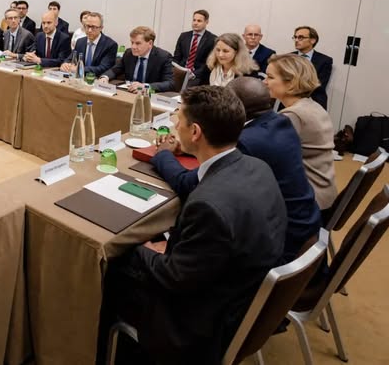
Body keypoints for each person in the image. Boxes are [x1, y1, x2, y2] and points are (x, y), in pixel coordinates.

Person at [101, 86, 286, 365]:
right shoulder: (257, 166)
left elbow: (174, 277)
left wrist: (140, 247)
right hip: (241, 292)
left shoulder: (208, 206)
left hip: (199, 323)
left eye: (179, 121)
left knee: (112, 266)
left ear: (195, 132)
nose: (175, 127)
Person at [152, 77, 321, 263]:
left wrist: (163, 154)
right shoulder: (279, 122)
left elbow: (188, 184)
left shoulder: (246, 142)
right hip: (304, 223)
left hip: (280, 241)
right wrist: (190, 147)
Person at [265, 54, 337, 210]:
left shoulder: (293, 115)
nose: (264, 82)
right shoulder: (311, 106)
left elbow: (266, 155)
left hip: (309, 200)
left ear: (291, 82)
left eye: (270, 77)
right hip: (323, 191)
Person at [99, 26, 174, 93]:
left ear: (150, 43)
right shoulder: (129, 54)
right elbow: (115, 70)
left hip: (148, 97)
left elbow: (169, 83)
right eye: (132, 42)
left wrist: (146, 86)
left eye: (138, 43)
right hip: (129, 92)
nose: (133, 47)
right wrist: (105, 77)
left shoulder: (163, 57)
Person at [292, 25, 333, 109]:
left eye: (300, 37)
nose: (296, 40)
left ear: (312, 40)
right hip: (289, 101)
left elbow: (318, 84)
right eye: (295, 37)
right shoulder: (288, 57)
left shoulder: (325, 61)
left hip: (313, 102)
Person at [173, 9, 217, 78]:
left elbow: (209, 63)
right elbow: (176, 57)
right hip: (181, 73)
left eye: (199, 21)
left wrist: (194, 74)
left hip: (198, 76)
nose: (195, 23)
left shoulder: (212, 39)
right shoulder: (183, 36)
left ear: (206, 22)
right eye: (194, 20)